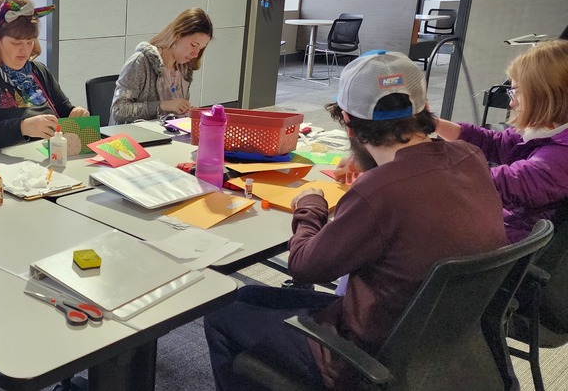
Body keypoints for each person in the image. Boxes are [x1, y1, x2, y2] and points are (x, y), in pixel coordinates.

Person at [203, 51, 507, 390]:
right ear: (425, 112)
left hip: (364, 355)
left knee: (222, 310)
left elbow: (304, 267)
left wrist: (310, 204)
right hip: (436, 335)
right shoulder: (471, 157)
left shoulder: (381, 192)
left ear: (348, 121)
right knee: (247, 297)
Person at [433, 40, 568, 243]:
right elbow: (495, 143)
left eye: (515, 91)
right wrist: (432, 123)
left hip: (511, 239)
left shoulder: (558, 158)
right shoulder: (549, 130)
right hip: (509, 224)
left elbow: (498, 183)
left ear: (543, 95)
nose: (511, 102)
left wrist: (422, 179)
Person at [0, 0, 88, 151]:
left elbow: (63, 111)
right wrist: (21, 128)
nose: (25, 50)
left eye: (30, 42)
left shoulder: (38, 71)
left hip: (41, 161)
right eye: (16, 43)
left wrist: (75, 114)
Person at [109, 8, 213, 125]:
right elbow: (118, 110)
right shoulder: (140, 62)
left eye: (200, 48)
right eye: (194, 45)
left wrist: (185, 111)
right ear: (177, 35)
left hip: (165, 137)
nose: (196, 54)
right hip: (136, 139)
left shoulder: (184, 69)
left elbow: (171, 115)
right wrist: (163, 105)